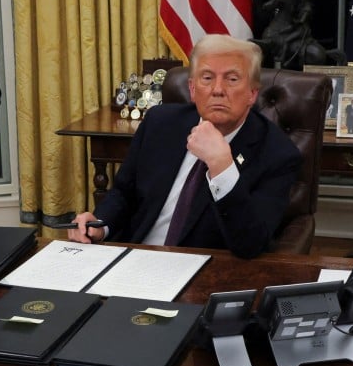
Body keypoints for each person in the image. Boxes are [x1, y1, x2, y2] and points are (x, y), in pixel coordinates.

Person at [67, 35, 301, 258]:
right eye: (207, 78)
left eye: (232, 79)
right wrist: (100, 224)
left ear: (252, 93)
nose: (218, 89)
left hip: (206, 274)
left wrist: (222, 166)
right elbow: (123, 193)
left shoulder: (277, 154)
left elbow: (250, 244)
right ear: (192, 89)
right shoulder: (160, 123)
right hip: (136, 259)